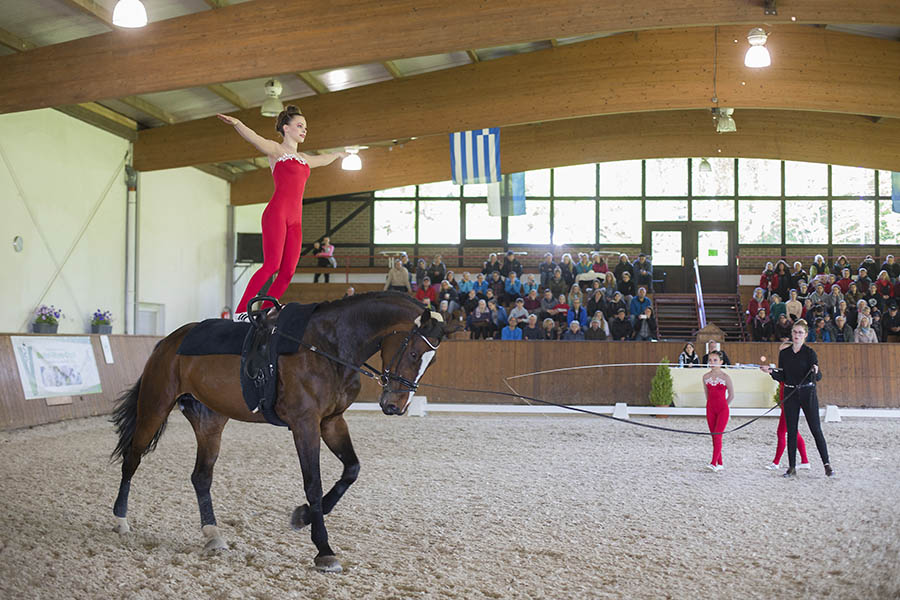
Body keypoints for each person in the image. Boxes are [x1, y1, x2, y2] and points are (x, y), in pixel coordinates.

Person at [218, 106, 348, 313]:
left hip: (295, 221)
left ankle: (265, 311)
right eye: (300, 126)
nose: (304, 130)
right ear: (286, 128)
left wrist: (338, 154)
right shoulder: (276, 151)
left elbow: (323, 160)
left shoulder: (304, 158)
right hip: (276, 214)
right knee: (271, 266)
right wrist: (237, 124)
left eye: (306, 127)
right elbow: (253, 138)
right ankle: (242, 311)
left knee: (288, 272)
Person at [760, 319, 834, 478]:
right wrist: (771, 372)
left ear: (805, 335)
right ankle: (792, 467)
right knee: (791, 431)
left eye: (800, 333)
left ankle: (827, 464)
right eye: (795, 332)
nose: (797, 335)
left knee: (816, 429)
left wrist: (815, 370)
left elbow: (818, 377)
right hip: (790, 394)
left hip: (808, 394)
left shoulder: (809, 353)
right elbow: (783, 376)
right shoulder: (784, 354)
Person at [702, 350, 733, 472]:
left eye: (715, 360)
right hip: (710, 409)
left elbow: (731, 395)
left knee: (718, 435)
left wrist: (725, 406)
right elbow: (707, 394)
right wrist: (710, 406)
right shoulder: (705, 377)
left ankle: (713, 462)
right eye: (710, 360)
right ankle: (720, 463)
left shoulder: (726, 377)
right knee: (713, 436)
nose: (712, 362)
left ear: (721, 362)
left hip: (722, 410)